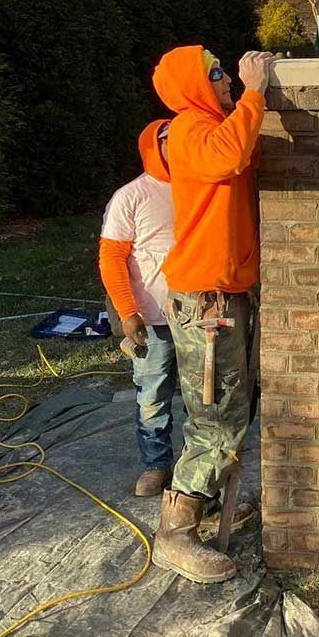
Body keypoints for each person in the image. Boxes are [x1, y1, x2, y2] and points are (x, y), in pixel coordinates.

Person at [150, 44, 272, 584]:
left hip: (225, 297)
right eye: (216, 72)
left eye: (225, 70)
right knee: (216, 417)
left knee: (233, 408)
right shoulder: (190, 131)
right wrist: (255, 92)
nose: (226, 78)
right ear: (194, 84)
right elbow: (229, 155)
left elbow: (243, 154)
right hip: (205, 304)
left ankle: (208, 504)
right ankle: (176, 528)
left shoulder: (212, 124)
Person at [99, 119, 178, 499]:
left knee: (202, 398)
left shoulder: (199, 189)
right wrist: (128, 312)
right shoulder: (130, 196)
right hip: (151, 319)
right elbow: (111, 258)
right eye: (169, 142)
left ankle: (196, 469)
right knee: (152, 396)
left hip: (198, 315)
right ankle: (156, 464)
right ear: (154, 147)